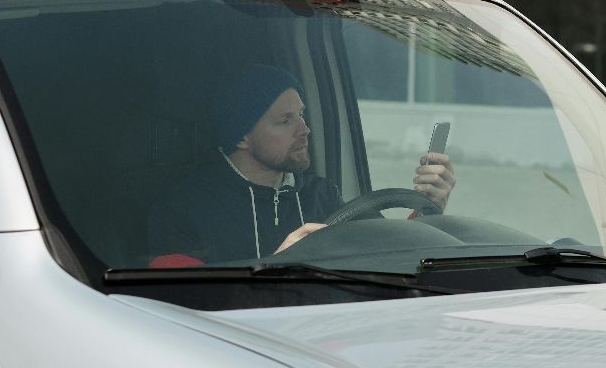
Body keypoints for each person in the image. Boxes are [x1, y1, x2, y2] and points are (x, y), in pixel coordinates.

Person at [146, 65, 453, 264]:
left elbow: (391, 258)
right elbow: (185, 305)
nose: (304, 130)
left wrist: (428, 205)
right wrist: (275, 264)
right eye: (285, 121)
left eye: (301, 115)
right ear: (241, 136)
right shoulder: (183, 210)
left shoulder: (323, 196)